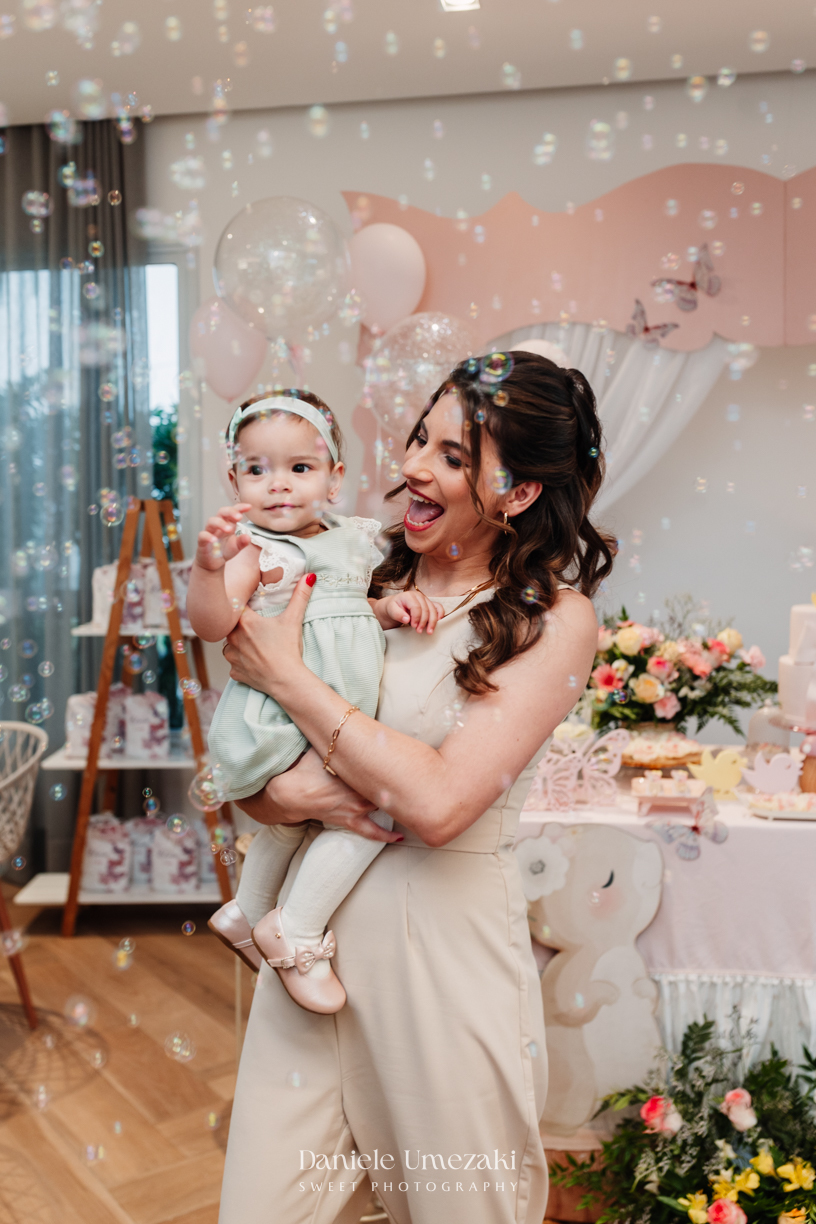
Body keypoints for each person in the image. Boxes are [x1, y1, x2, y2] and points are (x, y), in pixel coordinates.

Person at [218, 350, 614, 1224]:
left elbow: (438, 806)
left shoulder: (554, 620)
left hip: (442, 964)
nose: (413, 468)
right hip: (308, 956)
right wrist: (293, 798)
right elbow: (251, 767)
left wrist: (289, 677)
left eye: (453, 456)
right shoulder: (352, 568)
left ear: (518, 492)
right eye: (418, 440)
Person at [187, 390, 444, 1013]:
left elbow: (346, 613)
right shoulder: (256, 549)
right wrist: (208, 571)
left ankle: (247, 910)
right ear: (235, 481)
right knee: (371, 816)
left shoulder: (351, 540)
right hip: (283, 718)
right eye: (257, 469)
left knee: (299, 821)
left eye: (299, 467)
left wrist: (388, 608)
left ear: (334, 479)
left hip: (328, 710)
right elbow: (213, 625)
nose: (278, 484)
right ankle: (295, 929)